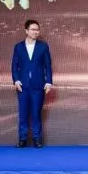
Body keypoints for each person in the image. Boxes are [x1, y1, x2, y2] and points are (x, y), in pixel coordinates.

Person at [11, 19, 53, 148]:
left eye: (37, 30)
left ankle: (37, 139)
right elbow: (14, 66)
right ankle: (22, 139)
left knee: (36, 114)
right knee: (23, 114)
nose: (36, 32)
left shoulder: (43, 46)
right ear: (26, 31)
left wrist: (49, 82)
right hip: (22, 86)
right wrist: (16, 80)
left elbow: (48, 65)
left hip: (38, 85)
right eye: (33, 29)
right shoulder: (18, 47)